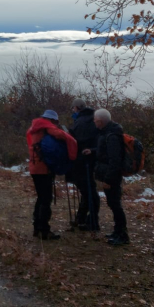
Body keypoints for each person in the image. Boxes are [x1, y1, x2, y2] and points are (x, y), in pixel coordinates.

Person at [26, 109, 78, 240]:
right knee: (46, 199)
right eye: (55, 122)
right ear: (52, 120)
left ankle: (37, 228)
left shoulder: (34, 128)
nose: (56, 124)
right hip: (44, 168)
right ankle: (44, 230)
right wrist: (70, 138)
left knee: (41, 198)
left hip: (34, 167)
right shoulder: (47, 127)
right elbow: (60, 135)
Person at [93, 109, 130, 246]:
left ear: (100, 121)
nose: (94, 122)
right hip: (108, 174)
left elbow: (115, 160)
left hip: (112, 176)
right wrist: (92, 151)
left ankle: (123, 235)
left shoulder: (112, 136)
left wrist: (108, 179)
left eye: (95, 120)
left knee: (115, 205)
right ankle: (117, 231)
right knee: (113, 203)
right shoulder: (108, 133)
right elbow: (104, 152)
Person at [67, 99, 101, 231]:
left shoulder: (81, 122)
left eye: (73, 108)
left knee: (89, 192)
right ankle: (82, 219)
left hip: (82, 162)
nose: (72, 111)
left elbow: (78, 142)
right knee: (88, 191)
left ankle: (92, 221)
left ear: (76, 108)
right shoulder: (93, 119)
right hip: (91, 160)